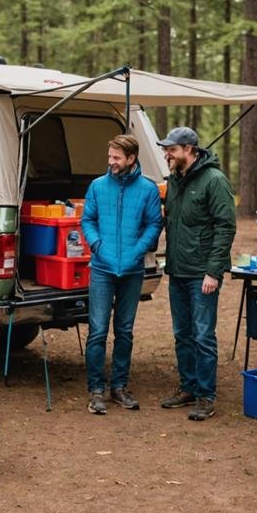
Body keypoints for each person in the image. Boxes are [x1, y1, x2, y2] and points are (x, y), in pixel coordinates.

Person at [158, 126, 236, 421]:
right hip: (178, 270)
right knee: (182, 333)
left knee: (203, 334)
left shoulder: (214, 181)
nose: (167, 154)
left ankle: (206, 395)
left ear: (189, 149)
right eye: (167, 149)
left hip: (203, 274)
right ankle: (188, 386)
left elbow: (225, 227)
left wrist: (213, 272)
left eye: (172, 149)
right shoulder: (175, 180)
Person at [80, 134, 163, 415]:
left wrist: (137, 251)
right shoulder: (97, 186)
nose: (111, 162)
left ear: (131, 159)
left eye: (116, 158)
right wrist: (97, 245)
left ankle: (119, 387)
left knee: (124, 331)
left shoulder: (148, 190)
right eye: (110, 157)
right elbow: (87, 220)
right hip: (102, 268)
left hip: (132, 270)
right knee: (98, 331)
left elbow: (154, 224)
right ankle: (96, 390)